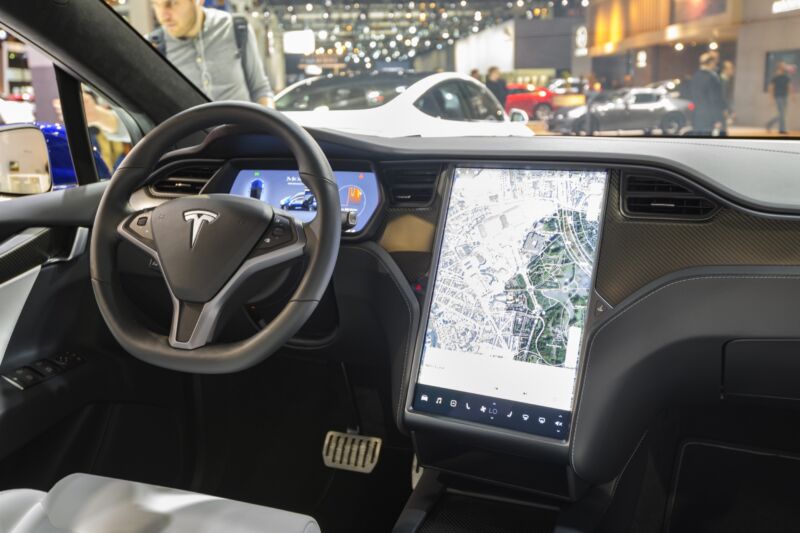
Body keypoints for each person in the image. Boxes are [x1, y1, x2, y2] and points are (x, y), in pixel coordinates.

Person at [149, 0, 274, 106]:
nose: (163, 16)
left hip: (243, 126)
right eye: (156, 4)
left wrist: (269, 125)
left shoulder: (235, 27)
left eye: (172, 3)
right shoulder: (153, 48)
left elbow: (260, 91)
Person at [690, 52, 725, 135]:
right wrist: (717, 119)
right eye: (714, 62)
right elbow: (713, 99)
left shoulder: (695, 76)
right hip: (709, 117)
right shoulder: (711, 78)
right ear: (710, 63)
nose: (715, 65)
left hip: (696, 115)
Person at [767, 62, 792, 134]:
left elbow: (789, 86)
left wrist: (792, 96)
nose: (784, 66)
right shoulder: (775, 77)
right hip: (778, 97)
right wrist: (771, 98)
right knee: (782, 114)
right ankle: (782, 129)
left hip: (785, 97)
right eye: (783, 65)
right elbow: (771, 87)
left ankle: (769, 124)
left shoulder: (786, 77)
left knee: (782, 114)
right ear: (779, 67)